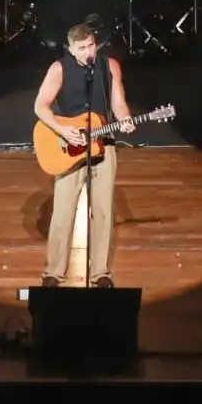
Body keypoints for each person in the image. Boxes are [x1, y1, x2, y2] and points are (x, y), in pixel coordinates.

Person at [34, 21, 134, 288]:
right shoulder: (59, 69)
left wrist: (124, 118)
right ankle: (53, 272)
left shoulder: (108, 66)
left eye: (91, 45)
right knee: (63, 211)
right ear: (70, 49)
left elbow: (119, 103)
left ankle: (101, 272)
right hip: (70, 147)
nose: (88, 52)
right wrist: (62, 130)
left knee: (103, 211)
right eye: (82, 48)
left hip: (104, 145)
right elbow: (41, 106)